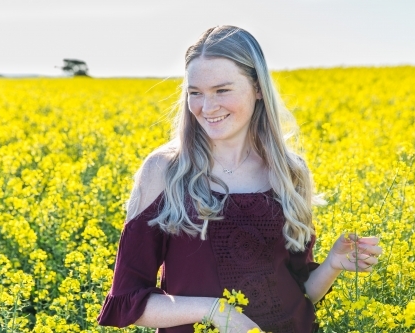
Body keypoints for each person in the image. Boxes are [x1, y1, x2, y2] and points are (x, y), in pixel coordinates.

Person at [97, 25, 382, 333]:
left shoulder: (289, 172)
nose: (207, 108)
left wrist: (331, 266)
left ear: (258, 88)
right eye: (195, 93)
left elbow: (297, 292)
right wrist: (216, 312)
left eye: (222, 90)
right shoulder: (165, 171)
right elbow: (128, 301)